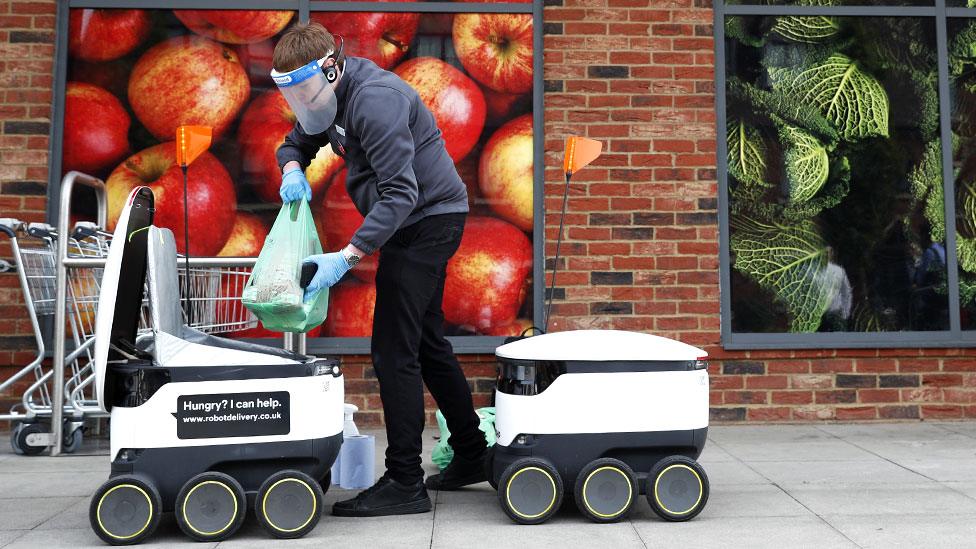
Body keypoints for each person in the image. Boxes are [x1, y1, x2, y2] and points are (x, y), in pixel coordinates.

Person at [271, 22, 488, 517]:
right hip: (409, 222)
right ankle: (474, 454)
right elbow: (297, 140)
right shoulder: (327, 100)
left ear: (332, 68)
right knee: (427, 342)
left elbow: (401, 193)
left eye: (303, 92)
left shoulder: (376, 100)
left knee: (393, 351)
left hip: (428, 221)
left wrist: (347, 257)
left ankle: (405, 481)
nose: (300, 105)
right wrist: (290, 167)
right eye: (290, 95)